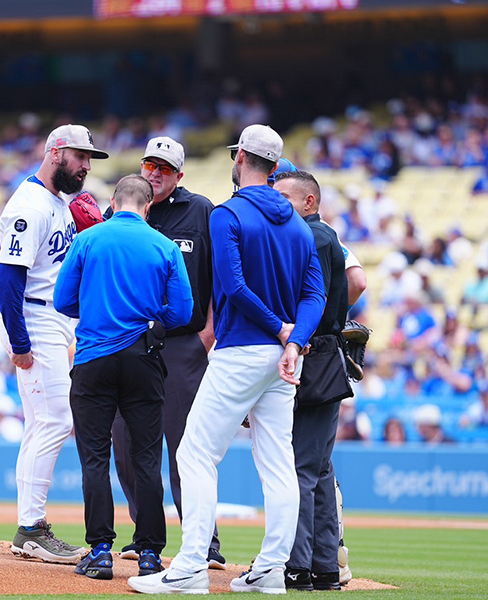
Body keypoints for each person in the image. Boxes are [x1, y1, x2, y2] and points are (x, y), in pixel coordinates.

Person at [129, 124, 325, 594]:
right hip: (283, 357)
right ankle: (272, 570)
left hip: (242, 349)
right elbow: (314, 294)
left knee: (194, 453)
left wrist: (280, 331)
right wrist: (294, 341)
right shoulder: (299, 225)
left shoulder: (227, 214)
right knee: (278, 463)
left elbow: (233, 286)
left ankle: (191, 567)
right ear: (276, 169)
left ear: (239, 159)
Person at [54, 174, 193, 581]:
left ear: (113, 201)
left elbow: (63, 300)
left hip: (94, 357)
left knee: (94, 459)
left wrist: (99, 309)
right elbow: (183, 313)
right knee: (147, 458)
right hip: (143, 358)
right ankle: (149, 553)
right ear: (148, 207)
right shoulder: (164, 246)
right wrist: (151, 320)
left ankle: (99, 551)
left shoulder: (89, 239)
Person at [109, 136, 225, 569]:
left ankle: (206, 543)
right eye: (148, 165)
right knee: (127, 444)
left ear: (179, 175)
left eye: (163, 168)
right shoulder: (123, 208)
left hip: (181, 344)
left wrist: (208, 332)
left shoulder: (201, 210)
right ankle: (146, 538)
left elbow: (221, 276)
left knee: (186, 445)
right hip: (128, 341)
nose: (153, 173)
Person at [0, 124, 108, 564]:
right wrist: (20, 340)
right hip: (35, 314)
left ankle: (30, 526)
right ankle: (32, 528)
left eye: (89, 158)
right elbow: (8, 276)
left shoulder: (58, 202)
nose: (85, 166)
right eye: (80, 156)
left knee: (42, 422)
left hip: (56, 316)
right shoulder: (29, 204)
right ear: (55, 152)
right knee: (57, 420)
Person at [272, 169, 350, 592]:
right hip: (324, 355)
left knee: (301, 467)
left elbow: (310, 302)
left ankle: (296, 565)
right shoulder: (324, 237)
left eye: (286, 197)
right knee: (318, 469)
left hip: (311, 354)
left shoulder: (313, 238)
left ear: (309, 203)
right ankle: (324, 568)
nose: (278, 203)